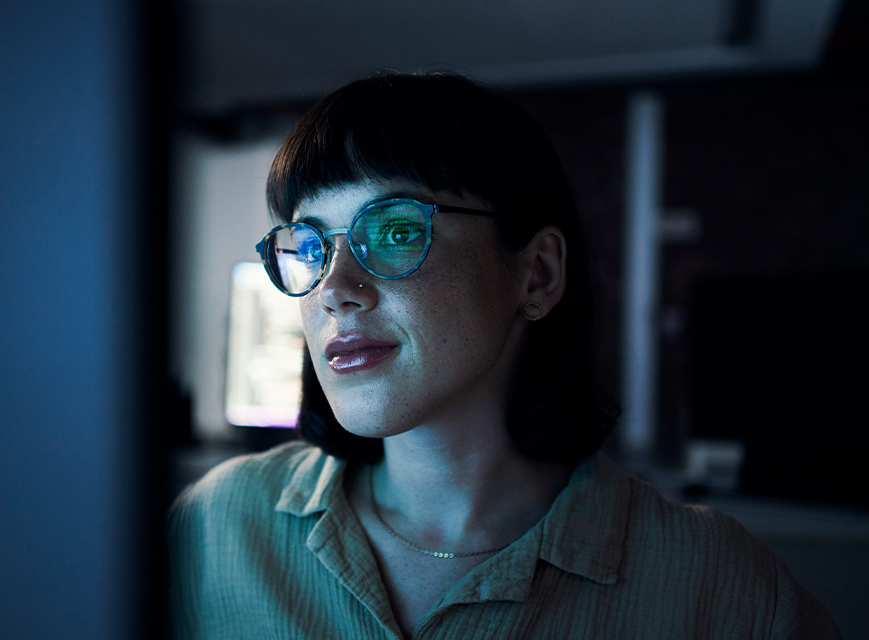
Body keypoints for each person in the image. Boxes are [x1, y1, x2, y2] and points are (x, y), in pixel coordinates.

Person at [168, 72, 841, 639]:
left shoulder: (718, 591)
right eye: (309, 247)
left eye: (396, 231)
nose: (335, 289)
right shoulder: (216, 530)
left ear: (536, 274)